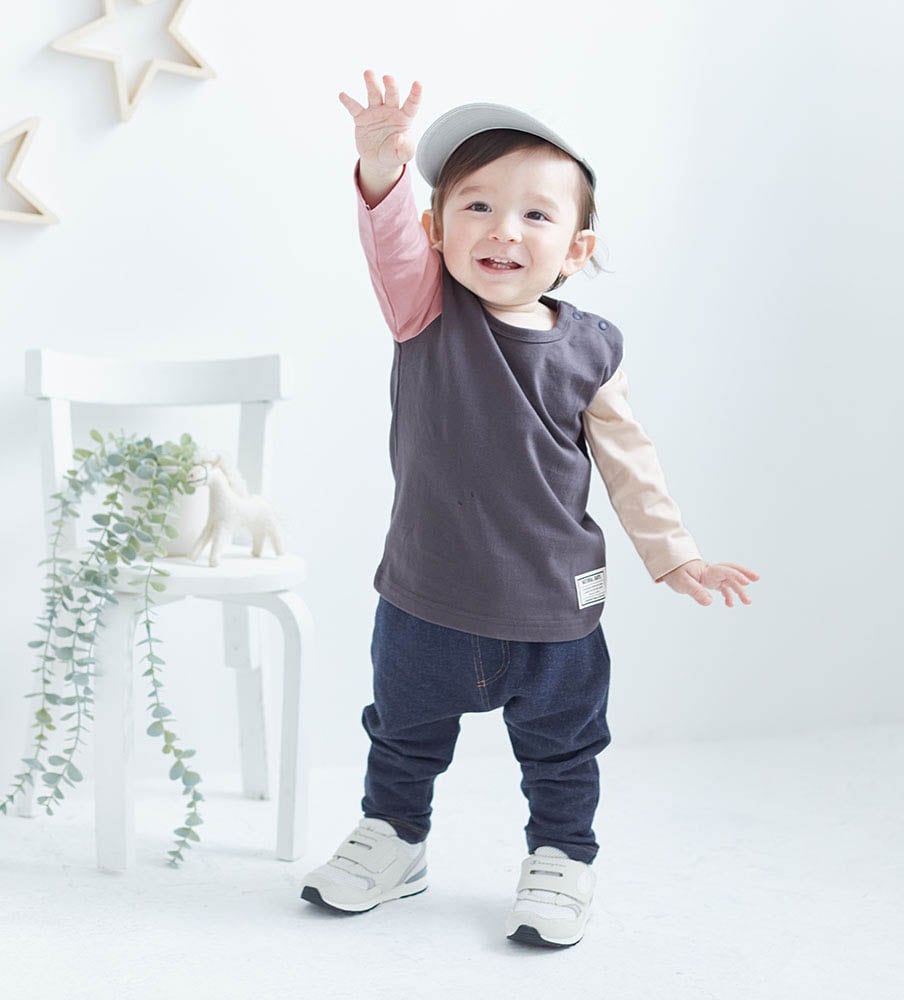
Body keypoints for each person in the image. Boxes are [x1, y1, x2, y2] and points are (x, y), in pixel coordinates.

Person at [299, 70, 760, 948]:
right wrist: (381, 170)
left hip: (554, 603)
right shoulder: (424, 313)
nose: (503, 229)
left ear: (576, 249)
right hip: (427, 597)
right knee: (401, 735)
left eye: (535, 214)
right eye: (476, 206)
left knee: (563, 749)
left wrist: (676, 554)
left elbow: (629, 462)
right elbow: (387, 246)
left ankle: (561, 856)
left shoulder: (593, 349)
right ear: (436, 231)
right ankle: (394, 838)